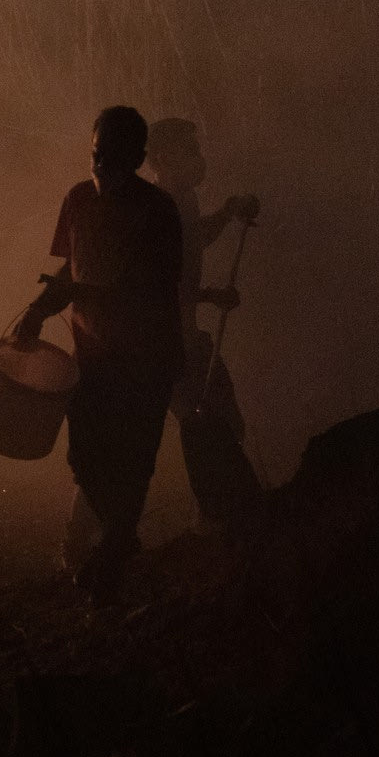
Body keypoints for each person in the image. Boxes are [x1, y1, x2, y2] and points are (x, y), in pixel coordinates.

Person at [11, 107, 183, 603]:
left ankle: (110, 563)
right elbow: (70, 271)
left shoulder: (157, 211)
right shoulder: (78, 200)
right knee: (84, 455)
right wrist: (39, 310)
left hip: (145, 361)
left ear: (138, 159)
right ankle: (119, 540)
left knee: (133, 460)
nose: (101, 167)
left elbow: (159, 292)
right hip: (94, 360)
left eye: (113, 157)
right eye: (95, 155)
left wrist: (94, 296)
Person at [145, 118, 260, 521]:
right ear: (159, 158)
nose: (198, 157)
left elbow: (195, 238)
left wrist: (227, 214)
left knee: (212, 423)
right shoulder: (159, 208)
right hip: (165, 340)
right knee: (209, 423)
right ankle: (214, 517)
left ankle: (212, 516)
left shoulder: (184, 201)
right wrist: (213, 296)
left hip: (181, 336)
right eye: (188, 149)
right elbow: (163, 282)